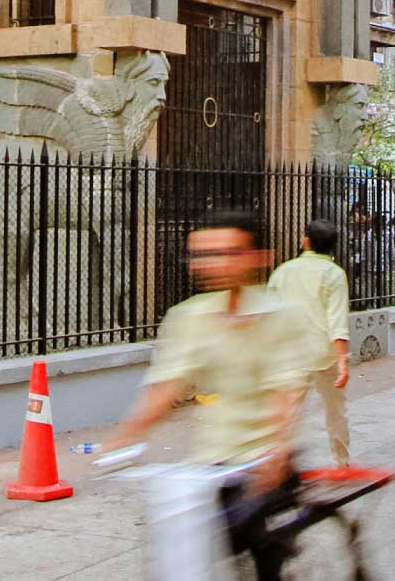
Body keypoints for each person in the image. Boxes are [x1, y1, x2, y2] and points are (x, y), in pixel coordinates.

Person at [106, 209, 316, 581]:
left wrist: (277, 449)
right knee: (183, 547)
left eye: (227, 252)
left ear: (258, 257)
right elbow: (167, 387)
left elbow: (285, 390)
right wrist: (123, 439)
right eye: (202, 254)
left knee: (257, 546)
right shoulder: (189, 317)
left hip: (267, 459)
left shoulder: (281, 316)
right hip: (212, 461)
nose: (211, 263)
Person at [268, 218, 351, 468]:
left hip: (289, 354)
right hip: (324, 354)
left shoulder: (283, 272)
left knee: (285, 414)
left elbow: (268, 313)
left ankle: (277, 465)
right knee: (336, 412)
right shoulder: (334, 274)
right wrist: (343, 361)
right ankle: (342, 463)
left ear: (306, 242)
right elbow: (337, 320)